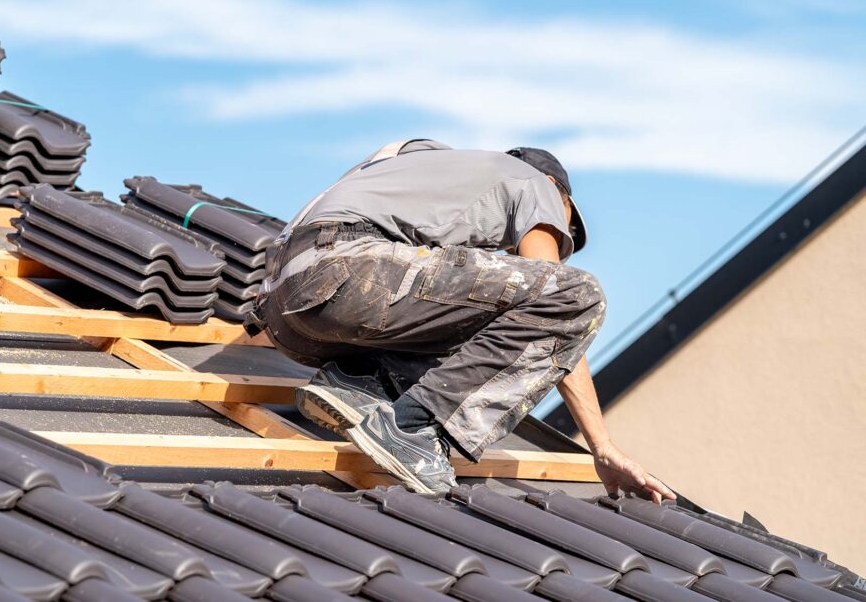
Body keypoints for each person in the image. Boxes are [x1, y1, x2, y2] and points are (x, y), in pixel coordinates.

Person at [249, 138, 675, 500]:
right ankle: (411, 426)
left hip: (288, 315)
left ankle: (359, 380)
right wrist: (602, 446)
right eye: (563, 226)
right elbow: (558, 307)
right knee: (575, 294)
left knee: (481, 300)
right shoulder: (532, 183)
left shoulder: (421, 168)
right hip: (347, 274)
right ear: (555, 190)